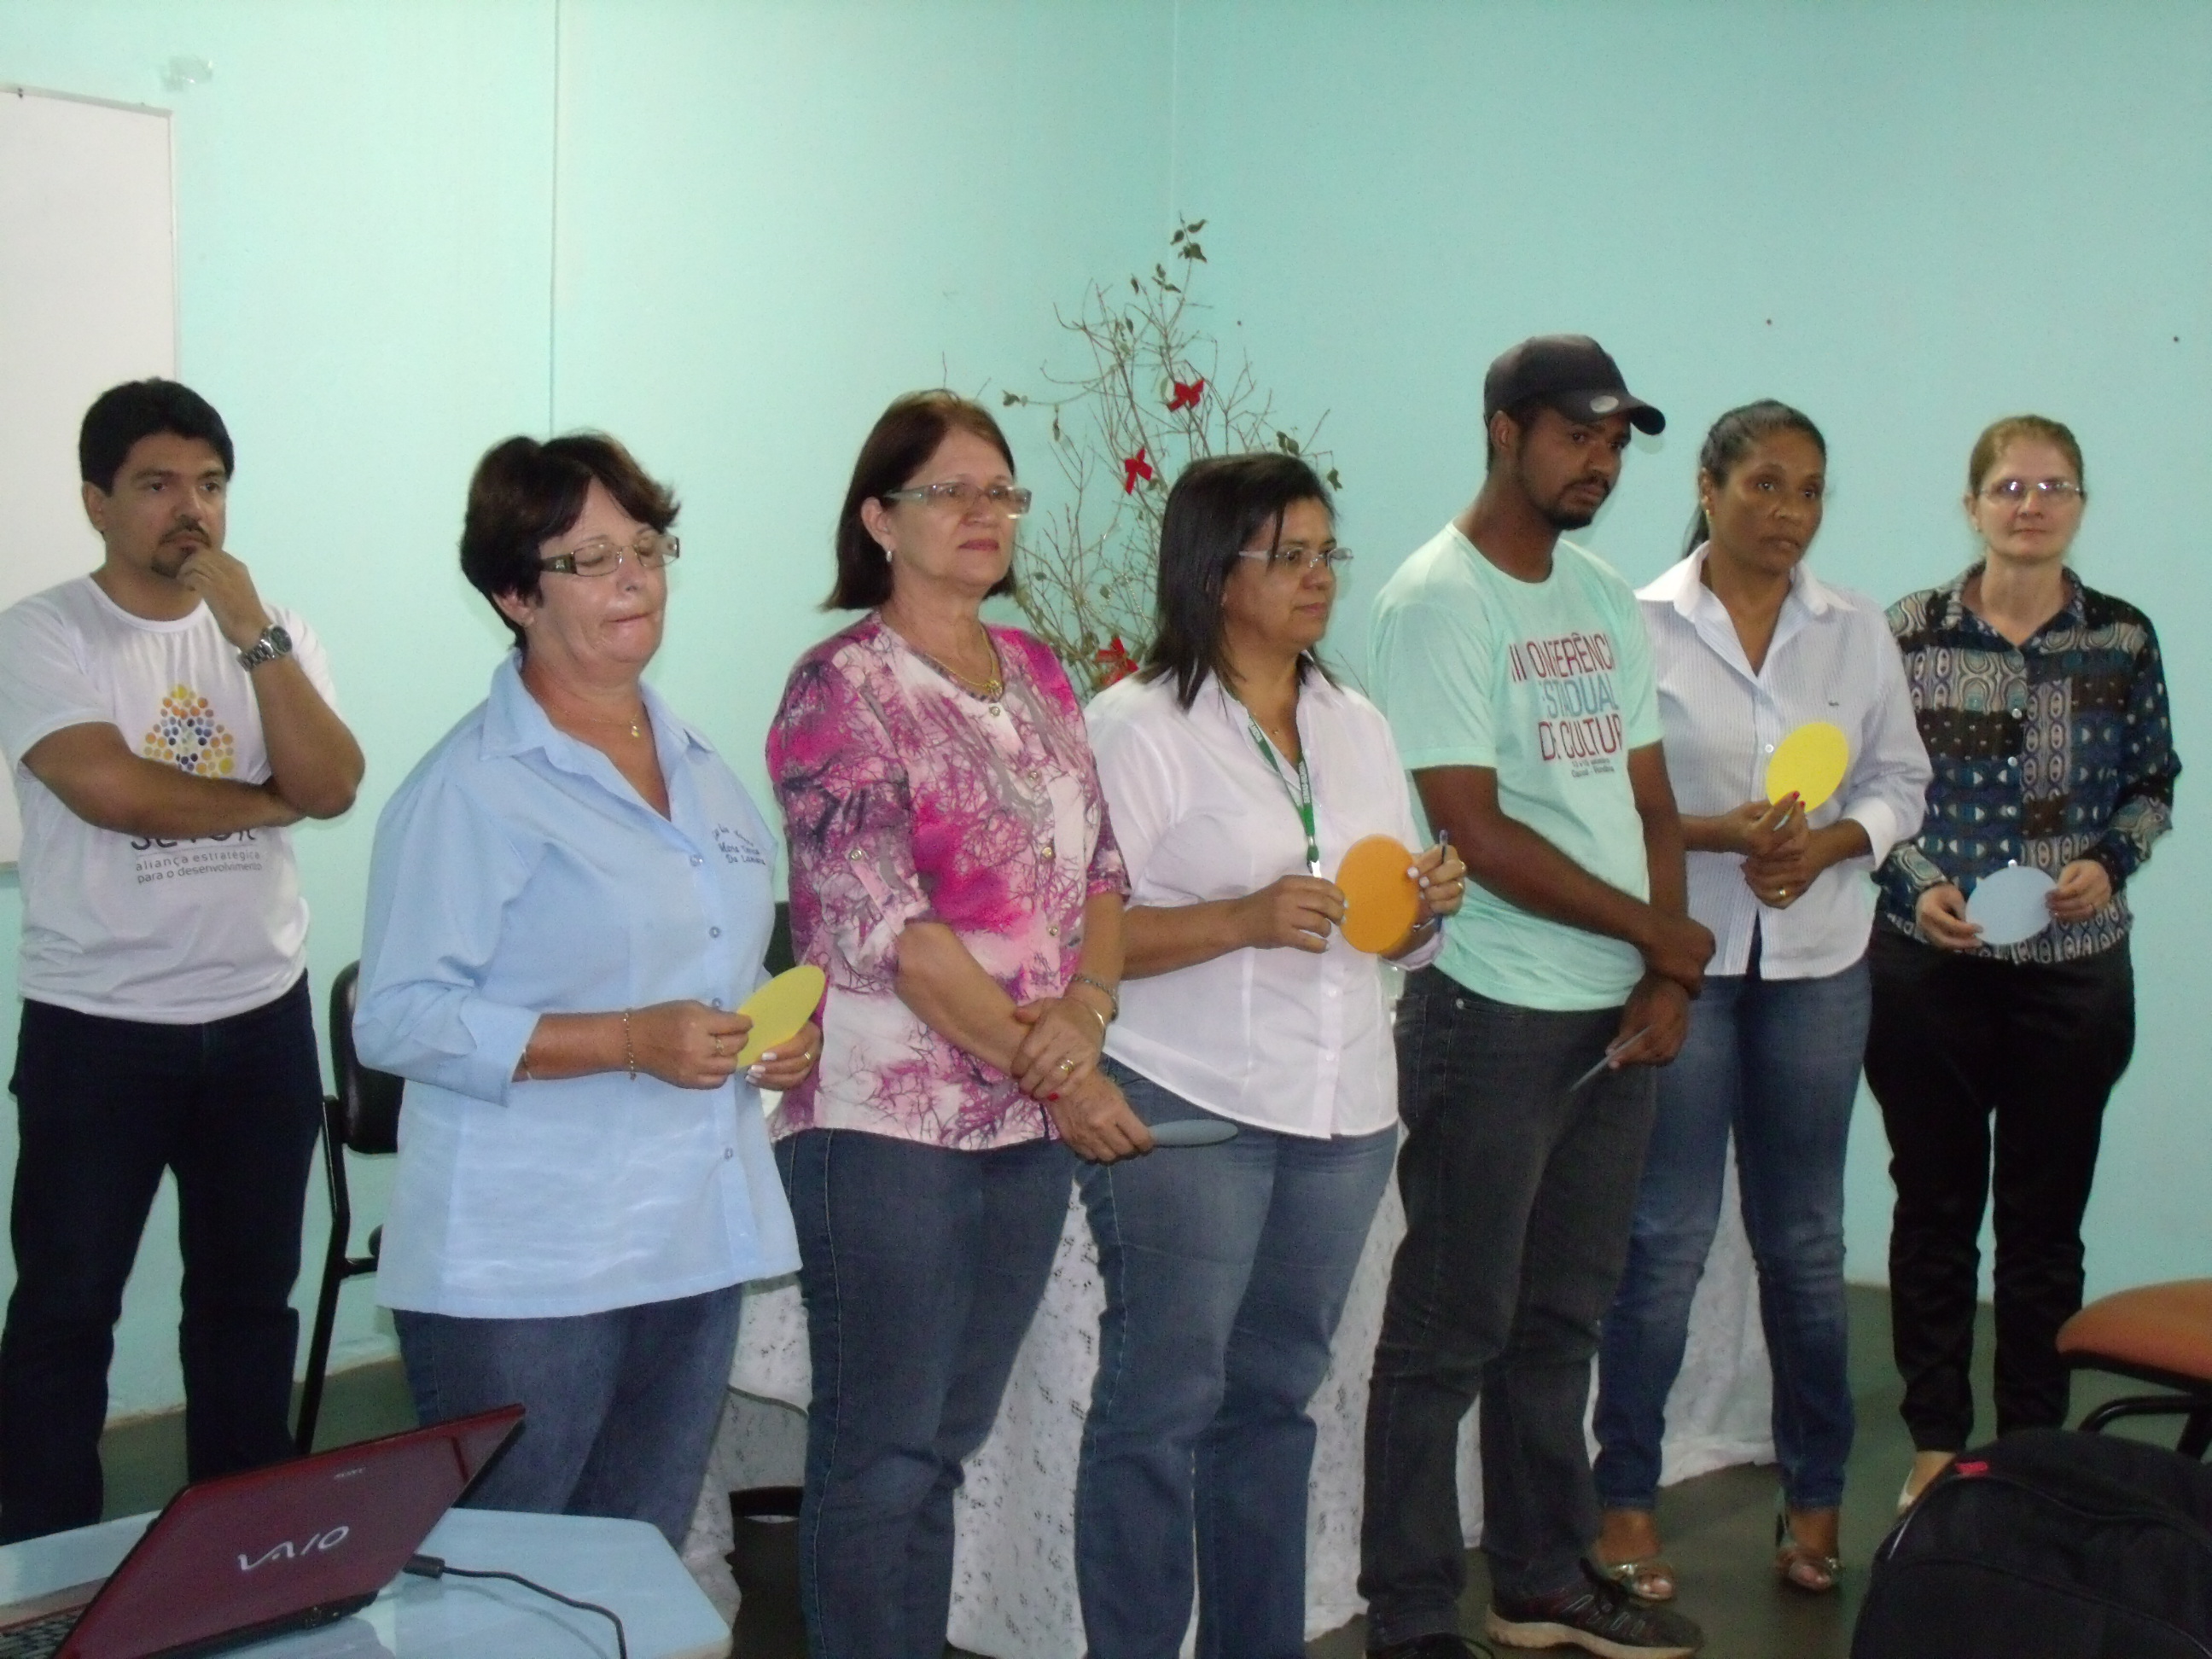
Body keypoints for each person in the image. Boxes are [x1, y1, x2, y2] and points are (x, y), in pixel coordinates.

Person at [353, 433, 806, 1549]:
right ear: (515, 595)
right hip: (525, 1256)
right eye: (591, 559)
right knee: (512, 1567)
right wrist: (627, 1040)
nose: (633, 579)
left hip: (687, 1232)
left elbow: (711, 953)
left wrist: (769, 1030)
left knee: (634, 1560)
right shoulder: (472, 786)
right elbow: (397, 1016)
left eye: (646, 549)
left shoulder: (699, 762)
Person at [765, 390, 1145, 1659]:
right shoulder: (840, 690)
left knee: (942, 1448)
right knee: (881, 1456)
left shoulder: (1037, 671)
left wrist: (1087, 1011)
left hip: (1022, 1124)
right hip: (887, 1128)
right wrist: (1062, 1069)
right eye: (950, 491)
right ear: (879, 519)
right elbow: (897, 933)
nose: (986, 513)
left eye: (1002, 491)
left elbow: (1103, 873)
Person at [1080, 453, 1468, 1658]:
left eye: (1325, 553)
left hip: (1342, 1104)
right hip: (1192, 1098)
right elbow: (1078, 939)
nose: (1319, 577)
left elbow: (1387, 920)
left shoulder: (1357, 722)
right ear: (1213, 573)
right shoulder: (1137, 727)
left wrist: (1425, 904)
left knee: (1275, 1398)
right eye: (1288, 556)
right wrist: (1240, 919)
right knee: (1163, 1404)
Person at [1358, 335, 1711, 1659]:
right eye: (1577, 435)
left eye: (1616, 442)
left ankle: (1540, 1580)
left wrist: (1660, 970)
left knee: (1561, 1319)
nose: (1601, 463)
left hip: (1612, 1010)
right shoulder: (1436, 601)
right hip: (1492, 1011)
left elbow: (1651, 801)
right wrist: (1660, 938)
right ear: (1504, 432)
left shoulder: (1603, 594)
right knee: (1451, 1327)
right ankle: (1408, 1614)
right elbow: (1476, 829)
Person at [0, 380, 363, 1542]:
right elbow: (111, 789)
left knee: (248, 1311)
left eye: (209, 484)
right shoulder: (43, 632)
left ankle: (241, 1557)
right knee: (65, 1315)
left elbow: (333, 782)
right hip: (97, 1026)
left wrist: (252, 633)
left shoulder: (275, 632)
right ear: (97, 502)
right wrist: (266, 802)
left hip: (259, 1021)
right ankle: (40, 1570)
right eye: (157, 484)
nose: (190, 509)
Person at [1591, 402, 1930, 1600]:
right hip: (1681, 967)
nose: (1790, 513)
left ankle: (1817, 1495)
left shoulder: (1854, 629)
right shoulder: (1633, 622)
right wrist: (1715, 836)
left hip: (1818, 968)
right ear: (1709, 486)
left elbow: (1902, 782)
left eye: (1811, 491)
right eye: (1766, 486)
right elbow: (1599, 799)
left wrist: (1833, 841)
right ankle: (1625, 1497)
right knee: (1665, 1239)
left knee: (1804, 1244)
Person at [1866, 415, 2178, 1510]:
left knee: (2045, 1226)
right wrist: (1914, 881)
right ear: (1972, 505)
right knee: (1934, 1209)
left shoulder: (2123, 639)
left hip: (2074, 973)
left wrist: (2108, 861)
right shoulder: (1905, 632)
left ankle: (2032, 1451)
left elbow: (2152, 784)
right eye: (2009, 486)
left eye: (2053, 487)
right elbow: (1868, 791)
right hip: (1927, 969)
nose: (2030, 505)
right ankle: (1936, 1442)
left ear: (2080, 505)